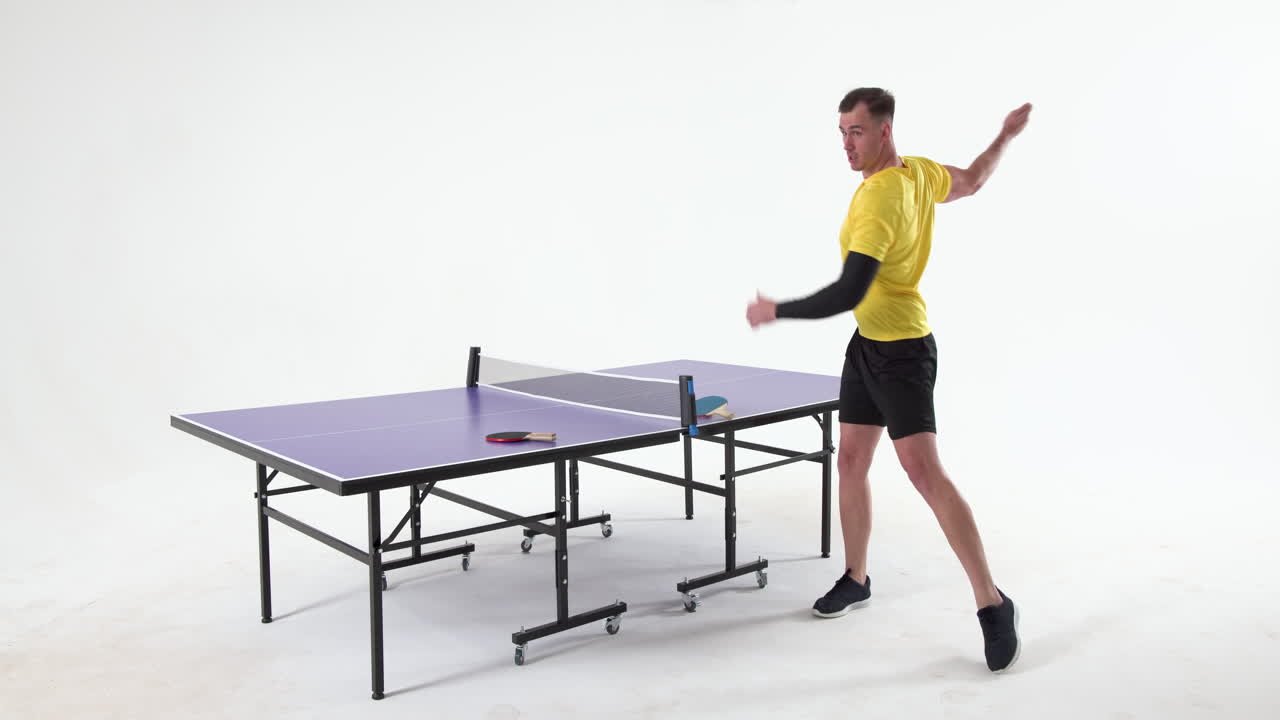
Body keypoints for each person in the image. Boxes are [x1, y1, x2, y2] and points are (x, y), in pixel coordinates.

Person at [745, 87, 1031, 672]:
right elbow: (973, 180)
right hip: (867, 346)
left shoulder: (880, 199)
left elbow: (849, 290)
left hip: (901, 351)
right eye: (841, 132)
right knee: (850, 459)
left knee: (924, 474)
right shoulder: (919, 172)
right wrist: (1004, 137)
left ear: (884, 131)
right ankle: (856, 576)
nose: (846, 144)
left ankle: (993, 604)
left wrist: (778, 310)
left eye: (856, 131)